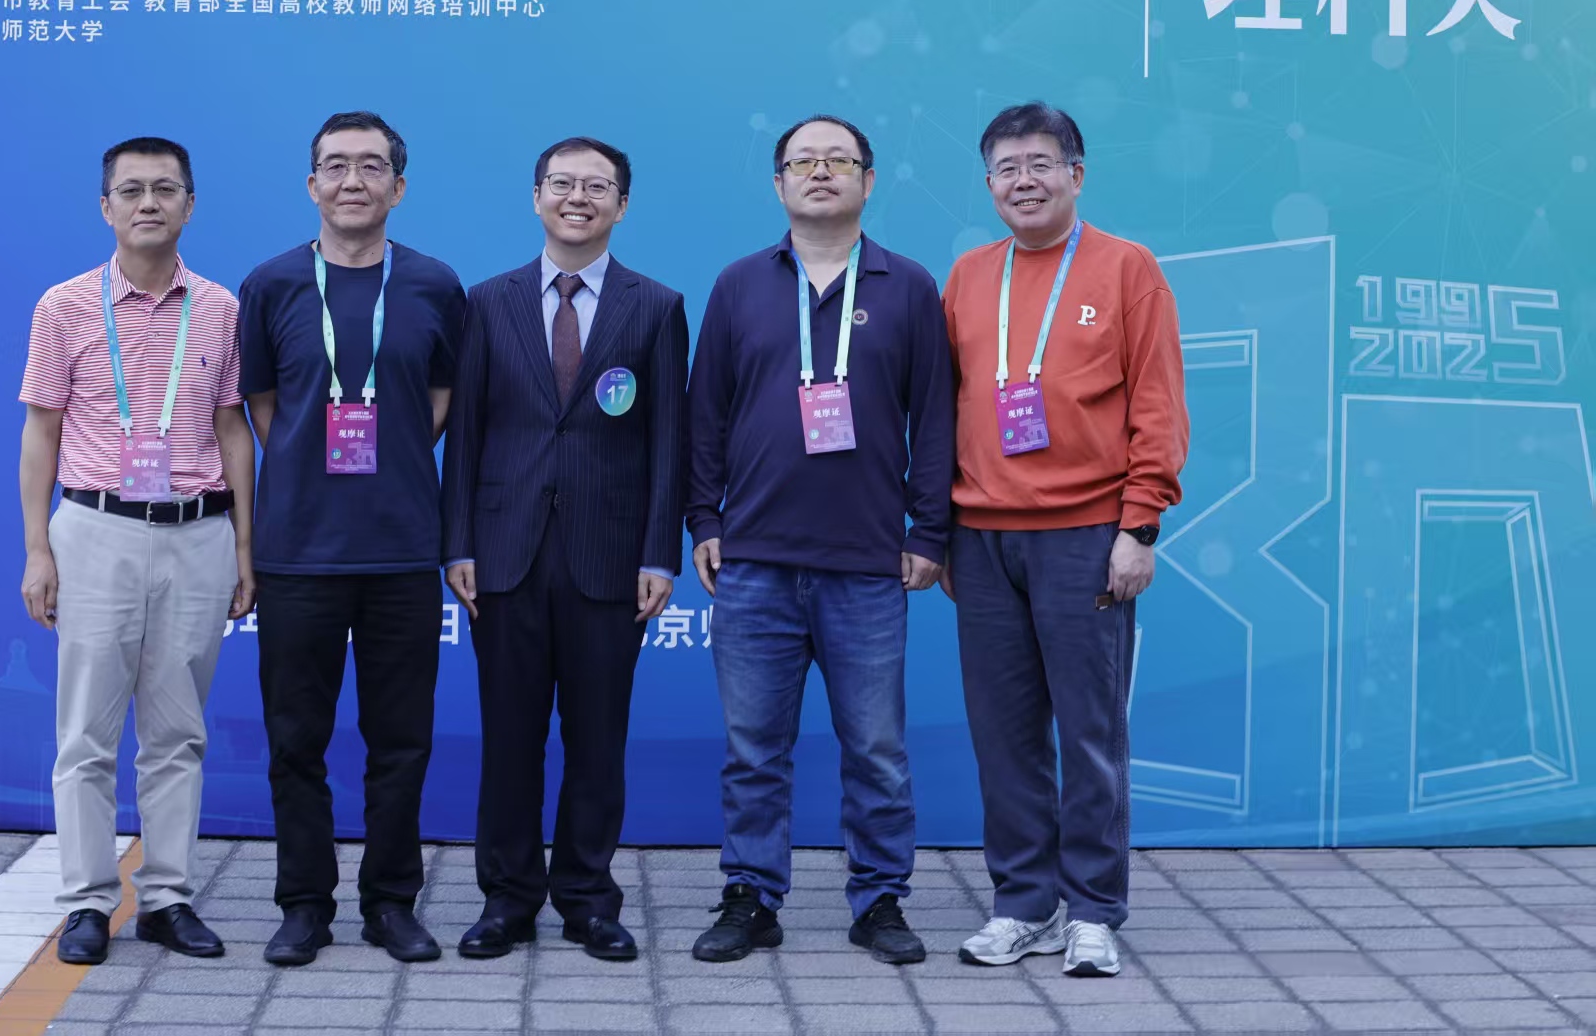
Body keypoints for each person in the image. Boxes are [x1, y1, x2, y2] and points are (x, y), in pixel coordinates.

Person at [685, 115, 954, 966]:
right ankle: (750, 896)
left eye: (839, 160)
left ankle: (879, 901)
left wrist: (930, 530)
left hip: (867, 563)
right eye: (803, 161)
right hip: (755, 561)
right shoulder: (740, 284)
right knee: (752, 751)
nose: (821, 172)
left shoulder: (908, 285)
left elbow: (936, 419)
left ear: (869, 180)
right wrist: (704, 519)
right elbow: (705, 414)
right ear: (778, 185)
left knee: (876, 750)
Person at [941, 102, 1188, 979]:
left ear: (1076, 175)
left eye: (1040, 164)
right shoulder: (969, 275)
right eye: (1006, 168)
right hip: (981, 539)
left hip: (1086, 537)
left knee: (1088, 735)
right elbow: (941, 408)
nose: (1024, 181)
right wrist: (939, 531)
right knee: (1003, 737)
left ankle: (1091, 910)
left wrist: (1139, 526)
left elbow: (1158, 405)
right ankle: (1023, 905)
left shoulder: (1128, 268)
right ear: (989, 185)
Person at [441, 137, 688, 962]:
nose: (578, 197)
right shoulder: (488, 302)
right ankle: (506, 899)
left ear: (622, 204)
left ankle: (587, 898)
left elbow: (668, 441)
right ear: (536, 196)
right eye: (562, 183)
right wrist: (458, 543)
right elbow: (466, 434)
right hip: (504, 554)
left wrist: (659, 554)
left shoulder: (656, 307)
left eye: (597, 186)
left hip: (609, 557)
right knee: (509, 737)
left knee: (597, 740)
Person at [18, 136, 254, 966]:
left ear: (190, 205)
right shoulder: (63, 307)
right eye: (131, 190)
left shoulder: (220, 308)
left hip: (199, 533)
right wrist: (37, 550)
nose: (148, 203)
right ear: (106, 207)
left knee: (177, 731)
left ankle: (166, 897)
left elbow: (233, 428)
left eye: (164, 189)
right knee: (86, 733)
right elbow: (40, 431)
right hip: (96, 530)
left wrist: (245, 546)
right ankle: (87, 902)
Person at [238, 111, 466, 966]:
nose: (353, 182)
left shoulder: (435, 285)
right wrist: (313, 460)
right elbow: (264, 408)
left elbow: (440, 401)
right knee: (295, 740)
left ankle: (391, 903)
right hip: (298, 551)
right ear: (312, 185)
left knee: (400, 741)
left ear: (398, 188)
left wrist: (387, 455)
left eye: (372, 167)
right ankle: (304, 904)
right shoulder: (271, 285)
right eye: (335, 166)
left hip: (401, 549)